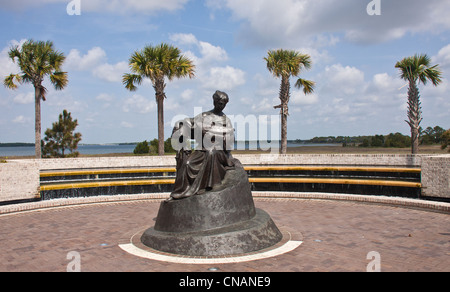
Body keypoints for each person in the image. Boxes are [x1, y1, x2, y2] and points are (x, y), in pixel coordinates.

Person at [169, 91, 235, 200]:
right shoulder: (204, 116)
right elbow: (190, 123)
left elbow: (230, 139)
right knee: (187, 163)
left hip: (218, 151)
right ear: (214, 102)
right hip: (201, 150)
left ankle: (205, 187)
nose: (222, 106)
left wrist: (219, 136)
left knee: (211, 153)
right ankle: (181, 193)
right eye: (219, 103)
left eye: (224, 104)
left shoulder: (226, 120)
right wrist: (180, 125)